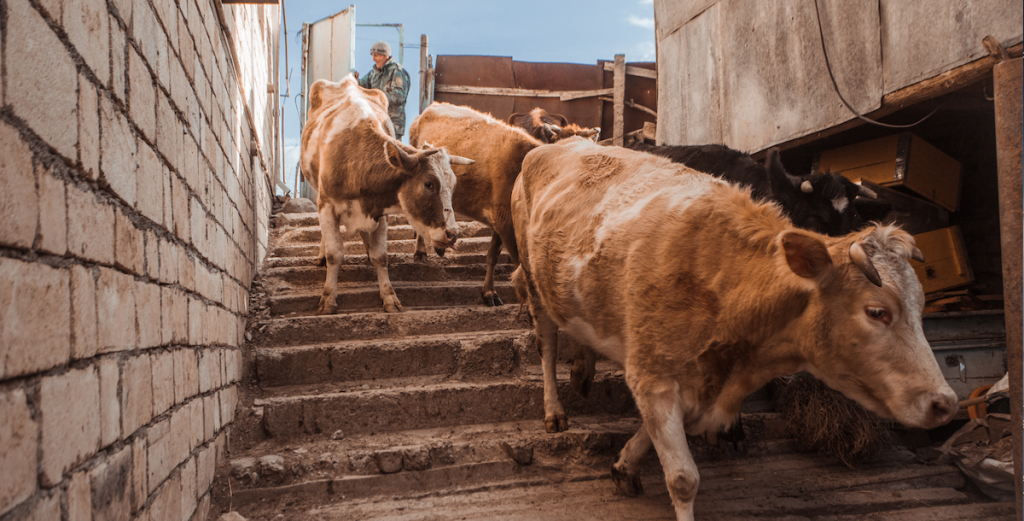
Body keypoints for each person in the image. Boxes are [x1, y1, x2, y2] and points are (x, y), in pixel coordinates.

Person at [358, 41, 411, 140]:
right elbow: (362, 86)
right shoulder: (373, 73)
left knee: (392, 154)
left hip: (392, 125)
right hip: (376, 123)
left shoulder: (397, 72)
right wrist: (354, 80)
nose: (374, 59)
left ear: (385, 55)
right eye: (373, 55)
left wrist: (377, 98)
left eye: (376, 55)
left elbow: (399, 96)